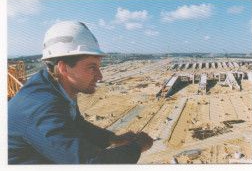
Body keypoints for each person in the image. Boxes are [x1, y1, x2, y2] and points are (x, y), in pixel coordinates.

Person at [8, 21, 153, 164]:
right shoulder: (42, 108)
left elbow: (76, 123)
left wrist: (112, 139)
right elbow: (90, 163)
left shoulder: (57, 86)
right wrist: (137, 147)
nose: (100, 75)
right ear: (64, 68)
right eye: (92, 67)